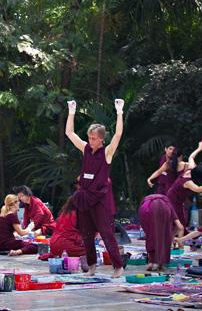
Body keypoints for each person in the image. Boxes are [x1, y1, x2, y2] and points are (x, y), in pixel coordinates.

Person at [65, 99, 125, 277]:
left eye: (94, 138)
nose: (90, 141)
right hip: (84, 198)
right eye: (89, 138)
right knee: (86, 234)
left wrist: (119, 112)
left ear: (101, 139)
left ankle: (118, 266)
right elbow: (69, 133)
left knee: (106, 233)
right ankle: (91, 265)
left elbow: (118, 135)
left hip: (100, 199)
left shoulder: (107, 153)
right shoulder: (85, 148)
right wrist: (72, 112)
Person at [164, 142, 202, 227]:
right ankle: (172, 238)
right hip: (173, 200)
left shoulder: (191, 168)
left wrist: (199, 148)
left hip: (177, 199)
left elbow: (191, 157)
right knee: (178, 223)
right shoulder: (188, 182)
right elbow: (198, 189)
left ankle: (175, 238)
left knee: (182, 223)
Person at [138, 194, 184, 272]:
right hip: (163, 208)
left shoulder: (165, 202)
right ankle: (160, 265)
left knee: (151, 235)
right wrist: (179, 243)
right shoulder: (168, 205)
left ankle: (150, 263)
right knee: (163, 237)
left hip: (146, 208)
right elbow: (180, 227)